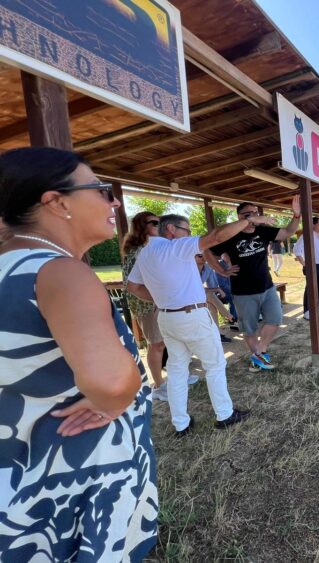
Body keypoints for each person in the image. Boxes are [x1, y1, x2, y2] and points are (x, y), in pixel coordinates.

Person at [0, 147, 157, 560]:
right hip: (76, 476)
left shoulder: (9, 266)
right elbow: (112, 381)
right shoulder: (60, 271)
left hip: (18, 477)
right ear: (57, 202)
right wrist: (117, 399)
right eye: (101, 190)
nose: (114, 202)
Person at [126, 213, 260, 435]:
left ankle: (181, 423)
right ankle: (224, 414)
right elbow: (216, 236)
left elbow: (133, 286)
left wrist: (161, 299)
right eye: (186, 230)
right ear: (171, 229)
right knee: (214, 365)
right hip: (192, 315)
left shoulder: (144, 253)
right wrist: (249, 220)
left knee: (177, 371)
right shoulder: (176, 247)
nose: (189, 234)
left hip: (167, 317)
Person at [207, 197, 301, 371]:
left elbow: (288, 232)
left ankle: (258, 353)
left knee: (275, 319)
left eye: (256, 212)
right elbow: (207, 251)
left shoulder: (263, 231)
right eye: (248, 214)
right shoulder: (230, 235)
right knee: (249, 329)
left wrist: (296, 215)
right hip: (243, 292)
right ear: (239, 216)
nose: (254, 216)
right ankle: (257, 359)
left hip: (267, 287)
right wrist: (221, 270)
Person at [122, 211, 168, 400]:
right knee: (156, 345)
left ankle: (171, 379)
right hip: (147, 305)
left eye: (160, 222)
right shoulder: (138, 250)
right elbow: (132, 285)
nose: (159, 225)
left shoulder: (150, 247)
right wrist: (157, 299)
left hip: (158, 303)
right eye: (154, 223)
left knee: (164, 343)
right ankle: (158, 386)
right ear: (142, 227)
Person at [293, 216, 319, 320]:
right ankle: (307, 310)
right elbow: (296, 250)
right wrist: (305, 265)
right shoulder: (306, 235)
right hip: (311, 265)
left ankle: (318, 307)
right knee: (310, 288)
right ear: (313, 224)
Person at [194, 252, 234, 343]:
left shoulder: (208, 267)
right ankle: (228, 316)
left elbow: (212, 285)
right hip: (187, 296)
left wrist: (217, 290)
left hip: (200, 294)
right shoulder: (190, 269)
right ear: (193, 257)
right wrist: (217, 290)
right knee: (209, 295)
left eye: (204, 255)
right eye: (199, 256)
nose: (203, 257)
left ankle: (217, 334)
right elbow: (194, 288)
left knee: (212, 306)